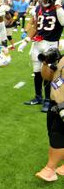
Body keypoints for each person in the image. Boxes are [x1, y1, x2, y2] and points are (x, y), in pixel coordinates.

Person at [19, 0, 64, 113]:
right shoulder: (39, 8)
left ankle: (48, 100)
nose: (41, 0)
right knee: (37, 71)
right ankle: (38, 97)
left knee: (48, 73)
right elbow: (35, 26)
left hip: (51, 44)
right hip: (38, 43)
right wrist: (26, 40)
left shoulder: (58, 9)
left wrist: (59, 5)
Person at [35, 47, 64, 181]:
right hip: (55, 104)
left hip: (61, 104)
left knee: (57, 135)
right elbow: (47, 77)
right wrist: (46, 62)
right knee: (52, 133)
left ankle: (50, 169)